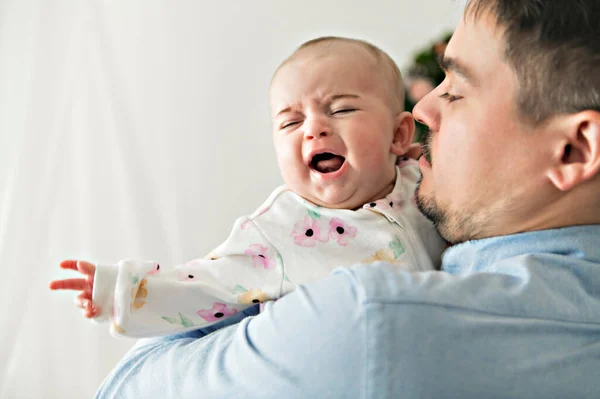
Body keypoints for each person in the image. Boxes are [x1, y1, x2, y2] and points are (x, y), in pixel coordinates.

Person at [94, 0, 599, 397]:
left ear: (573, 149)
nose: (422, 105)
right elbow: (212, 280)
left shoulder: (370, 322)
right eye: (291, 122)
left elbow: (124, 390)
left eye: (455, 90)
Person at [49, 37, 445, 338]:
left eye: (341, 109)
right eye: (291, 123)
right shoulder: (276, 231)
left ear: (397, 134)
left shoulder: (423, 179)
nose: (313, 129)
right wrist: (119, 289)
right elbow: (205, 285)